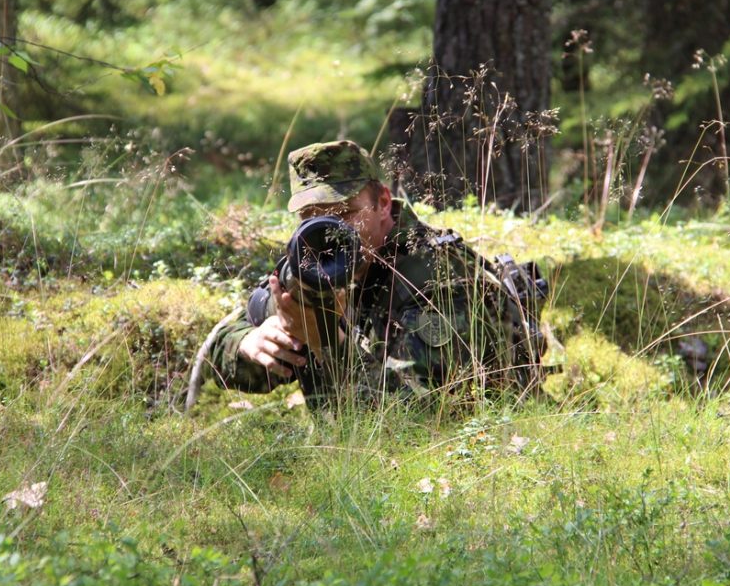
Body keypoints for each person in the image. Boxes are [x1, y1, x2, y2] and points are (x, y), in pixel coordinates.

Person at [208, 139, 541, 406]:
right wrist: (249, 343)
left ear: (383, 202)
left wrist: (324, 342)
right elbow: (217, 352)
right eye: (312, 218)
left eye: (345, 214)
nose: (331, 233)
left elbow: (412, 417)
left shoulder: (436, 278)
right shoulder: (312, 258)